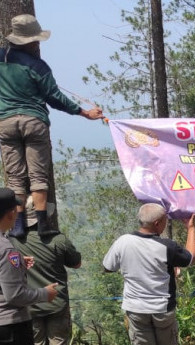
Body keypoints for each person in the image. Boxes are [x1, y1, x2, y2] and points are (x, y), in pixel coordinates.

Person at [0, 15, 104, 238]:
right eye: (35, 40)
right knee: (38, 175)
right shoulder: (37, 65)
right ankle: (42, 224)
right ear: (28, 41)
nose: (38, 44)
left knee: (16, 176)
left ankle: (17, 225)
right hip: (33, 121)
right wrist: (83, 112)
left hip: (5, 122)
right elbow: (54, 97)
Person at [102, 204, 195, 345]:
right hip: (163, 309)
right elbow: (190, 258)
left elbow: (107, 266)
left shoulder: (123, 242)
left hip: (136, 310)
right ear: (157, 223)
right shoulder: (166, 247)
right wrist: (191, 228)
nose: (165, 224)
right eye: (165, 221)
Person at [0, 187, 58, 345]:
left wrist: (19, 264)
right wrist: (44, 294)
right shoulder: (6, 250)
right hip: (10, 323)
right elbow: (14, 296)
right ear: (11, 213)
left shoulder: (9, 252)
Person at [9, 196, 81, 345]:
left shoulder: (13, 241)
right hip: (57, 302)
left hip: (29, 304)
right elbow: (76, 262)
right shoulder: (57, 239)